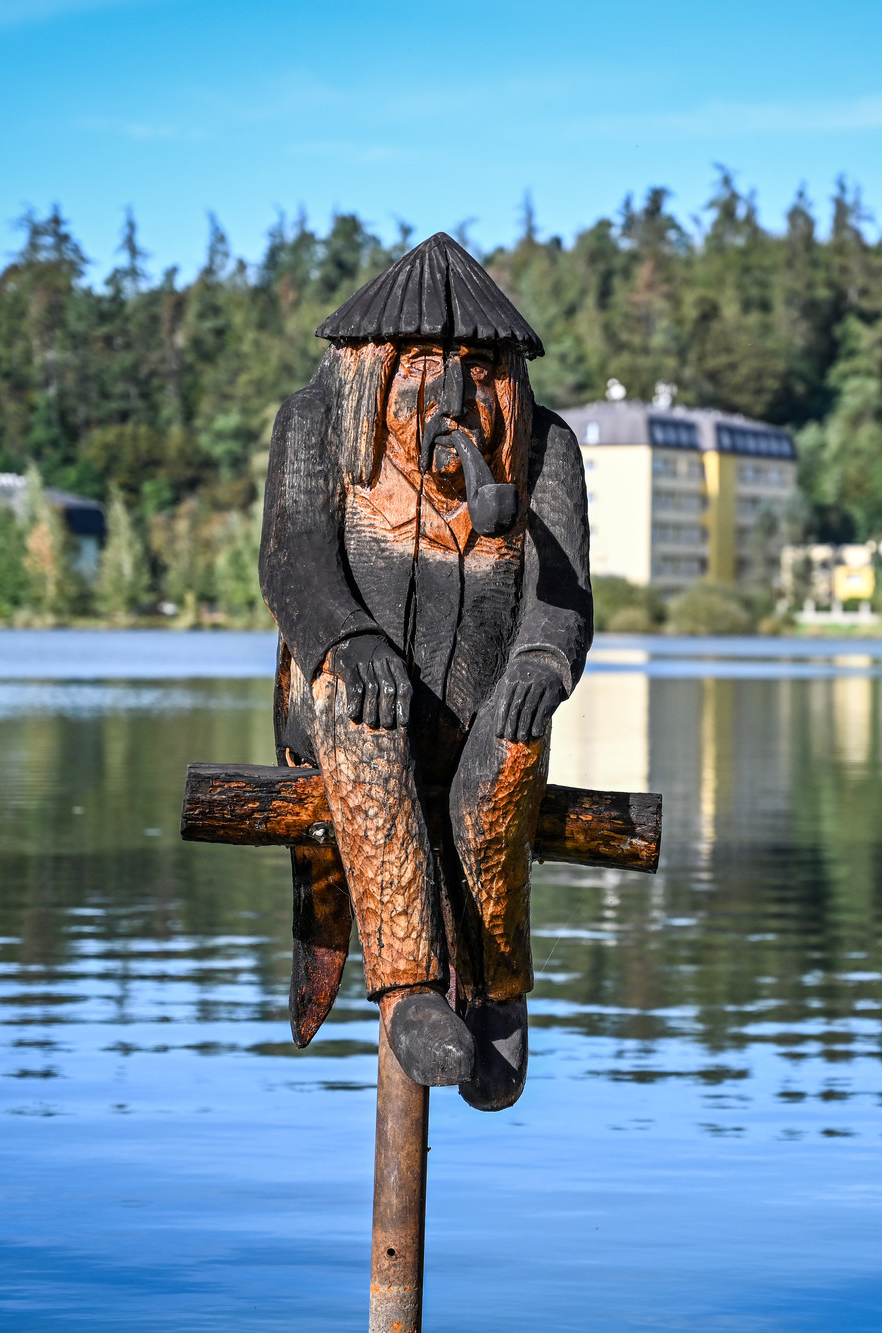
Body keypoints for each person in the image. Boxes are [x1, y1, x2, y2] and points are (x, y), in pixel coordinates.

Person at [259, 233, 591, 1110]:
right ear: (372, 366)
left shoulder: (547, 452)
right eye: (421, 362)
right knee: (361, 718)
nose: (453, 393)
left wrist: (542, 662)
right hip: (346, 699)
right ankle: (408, 983)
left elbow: (563, 597)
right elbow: (292, 562)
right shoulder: (314, 428)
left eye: (480, 368)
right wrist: (346, 639)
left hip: (479, 713)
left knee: (518, 740)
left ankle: (497, 984)